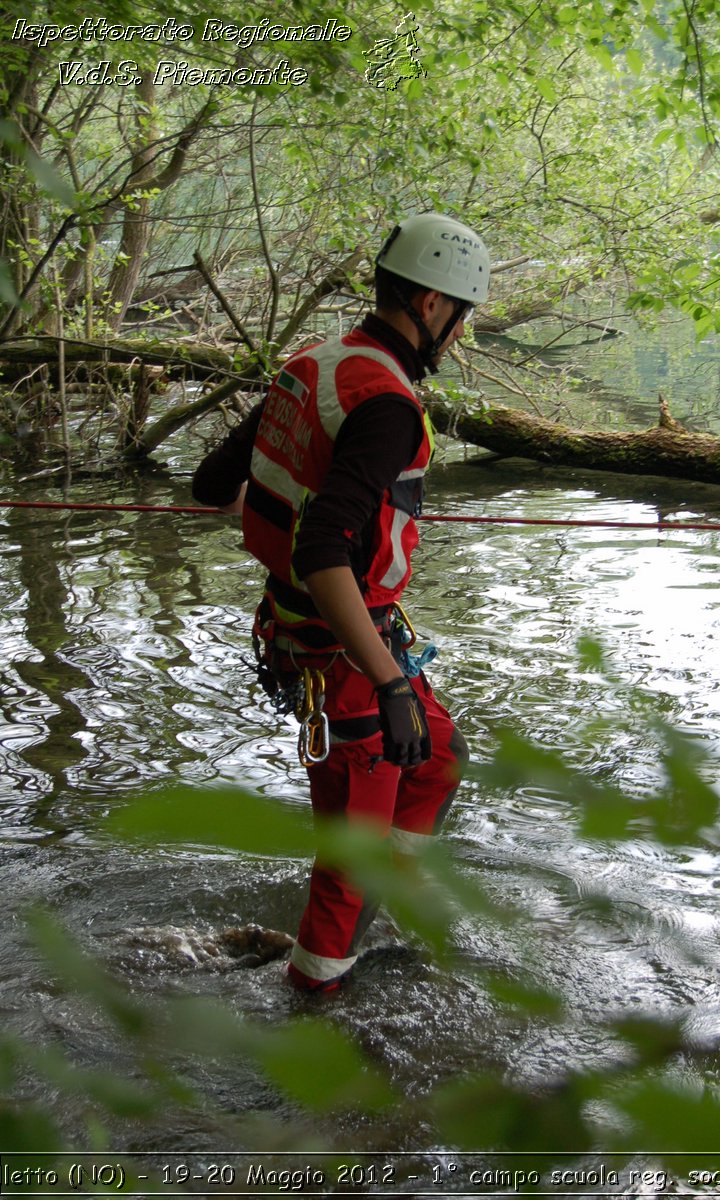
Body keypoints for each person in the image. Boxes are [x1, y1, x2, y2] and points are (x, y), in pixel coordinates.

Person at [192, 212, 490, 991]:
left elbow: (211, 485)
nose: (459, 333)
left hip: (310, 631)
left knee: (438, 762)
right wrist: (391, 684)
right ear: (431, 306)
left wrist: (286, 501)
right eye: (461, 315)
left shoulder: (317, 362)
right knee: (348, 867)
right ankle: (315, 997)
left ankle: (377, 912)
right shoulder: (387, 404)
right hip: (345, 655)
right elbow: (324, 550)